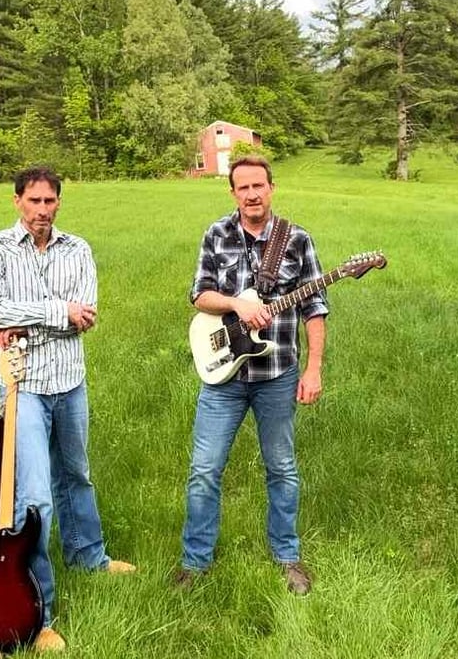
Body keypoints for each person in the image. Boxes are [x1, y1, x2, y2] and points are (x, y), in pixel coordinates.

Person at [0, 165, 135, 652]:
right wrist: (56, 310)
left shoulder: (78, 249)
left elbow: (85, 314)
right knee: (35, 498)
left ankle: (89, 554)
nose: (41, 211)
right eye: (33, 201)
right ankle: (38, 610)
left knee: (77, 474)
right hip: (22, 387)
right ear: (17, 201)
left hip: (70, 382)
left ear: (58, 203)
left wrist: (31, 315)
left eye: (49, 202)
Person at [176, 155, 327, 595]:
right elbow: (199, 295)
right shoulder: (216, 234)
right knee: (205, 469)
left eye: (259, 186)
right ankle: (195, 561)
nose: (252, 194)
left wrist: (313, 368)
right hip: (222, 379)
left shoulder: (296, 240)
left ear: (271, 188)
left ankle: (287, 556)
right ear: (233, 193)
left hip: (277, 374)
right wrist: (237, 304)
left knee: (281, 467)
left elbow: (314, 308)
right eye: (243, 188)